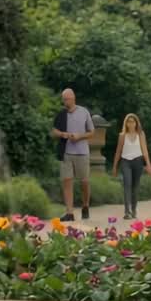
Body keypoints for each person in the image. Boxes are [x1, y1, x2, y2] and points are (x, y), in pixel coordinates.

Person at [51, 88, 94, 221]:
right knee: (67, 181)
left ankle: (85, 205)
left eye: (67, 99)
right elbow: (53, 131)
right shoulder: (61, 114)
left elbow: (92, 132)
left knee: (84, 182)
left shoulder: (84, 112)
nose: (65, 102)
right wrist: (63, 134)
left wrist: (80, 136)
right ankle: (69, 212)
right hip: (66, 152)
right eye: (63, 99)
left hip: (82, 153)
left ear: (73, 98)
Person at [112, 114, 151, 220]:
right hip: (125, 162)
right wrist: (115, 166)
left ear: (136, 123)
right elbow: (118, 151)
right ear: (126, 123)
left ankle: (134, 209)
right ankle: (127, 211)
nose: (131, 124)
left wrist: (148, 165)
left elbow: (145, 150)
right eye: (129, 121)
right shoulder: (122, 135)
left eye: (133, 121)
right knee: (127, 185)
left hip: (138, 161)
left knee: (135, 187)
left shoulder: (141, 134)